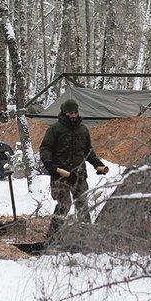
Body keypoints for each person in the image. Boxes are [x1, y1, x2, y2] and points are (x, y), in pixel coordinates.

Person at [39, 98, 108, 237]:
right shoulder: (54, 129)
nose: (74, 115)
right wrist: (49, 164)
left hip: (79, 175)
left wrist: (97, 164)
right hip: (61, 175)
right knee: (64, 205)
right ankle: (53, 235)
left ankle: (87, 235)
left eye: (75, 112)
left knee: (82, 205)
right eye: (71, 112)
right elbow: (45, 148)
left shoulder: (83, 130)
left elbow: (88, 150)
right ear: (65, 113)